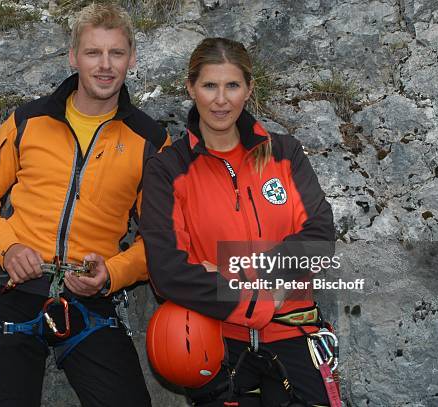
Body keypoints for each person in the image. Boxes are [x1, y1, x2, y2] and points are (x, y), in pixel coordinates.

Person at [0, 4, 169, 406]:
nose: (105, 65)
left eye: (116, 53)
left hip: (88, 296)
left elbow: (160, 239)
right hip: (12, 287)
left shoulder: (150, 140)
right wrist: (8, 247)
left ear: (132, 59)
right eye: (93, 53)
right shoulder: (27, 121)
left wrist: (111, 273)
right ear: (73, 57)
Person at [141, 38, 336, 406]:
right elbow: (167, 270)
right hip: (216, 345)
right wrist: (258, 299)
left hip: (295, 333)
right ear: (190, 87)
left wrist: (241, 277)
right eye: (209, 85)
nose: (220, 100)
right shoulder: (167, 170)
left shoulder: (285, 153)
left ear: (248, 89)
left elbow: (320, 237)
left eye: (232, 85)